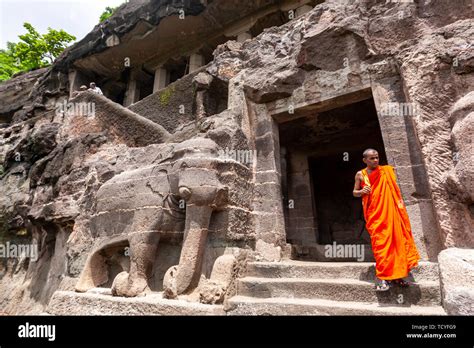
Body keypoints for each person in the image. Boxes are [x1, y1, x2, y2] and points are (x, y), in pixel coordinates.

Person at [353, 148, 420, 291]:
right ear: (365, 160)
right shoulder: (361, 174)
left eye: (377, 157)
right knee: (381, 245)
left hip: (391, 214)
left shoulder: (386, 171)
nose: (375, 160)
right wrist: (361, 192)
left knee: (397, 244)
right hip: (375, 216)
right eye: (371, 158)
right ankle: (383, 277)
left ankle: (398, 276)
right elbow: (354, 192)